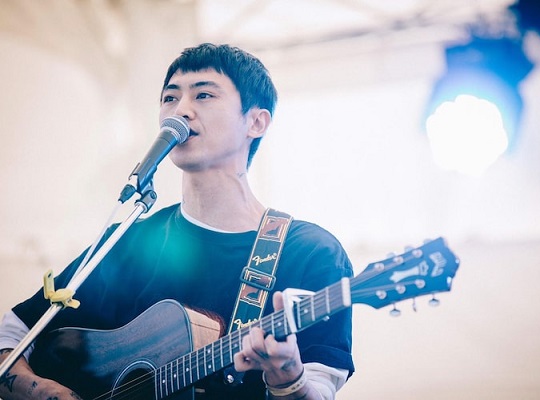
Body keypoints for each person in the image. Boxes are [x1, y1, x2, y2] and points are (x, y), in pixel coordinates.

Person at [0, 43, 354, 399]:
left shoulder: (310, 253)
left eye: (203, 95)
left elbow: (319, 390)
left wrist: (289, 378)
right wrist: (44, 392)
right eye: (170, 98)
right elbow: (12, 335)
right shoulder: (128, 242)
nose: (180, 110)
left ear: (256, 122)